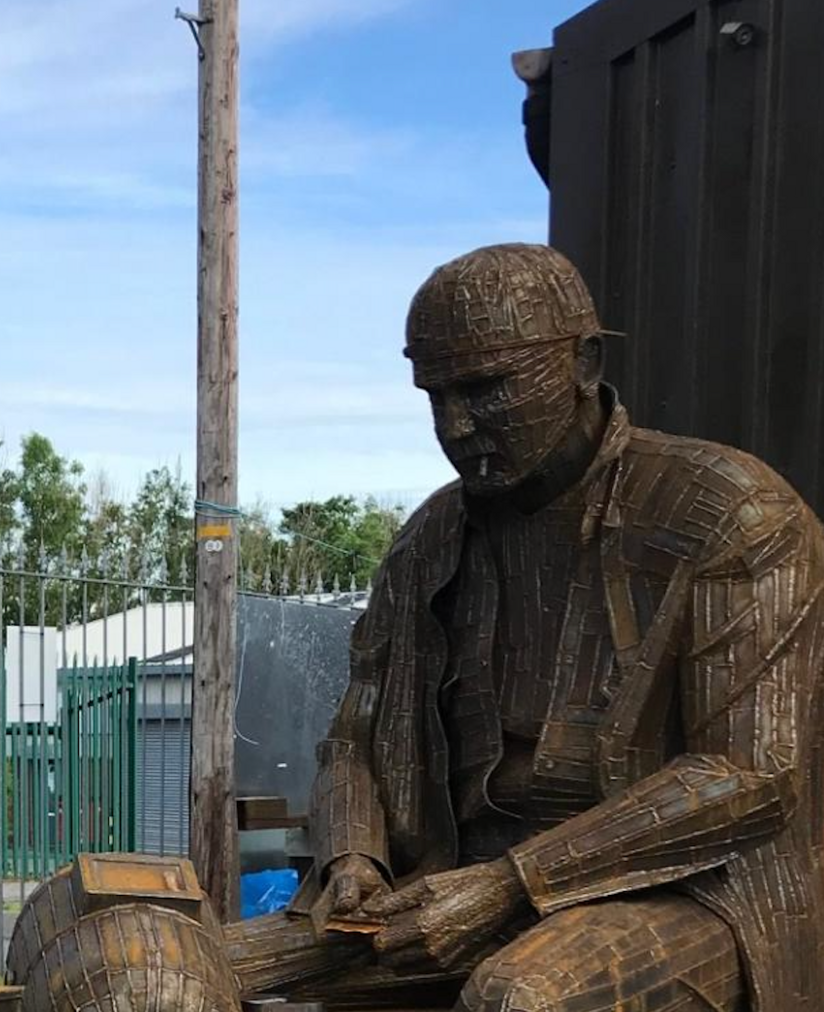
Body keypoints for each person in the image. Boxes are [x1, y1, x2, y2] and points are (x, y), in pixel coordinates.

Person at [223, 243, 824, 1011]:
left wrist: (512, 885)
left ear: (584, 362)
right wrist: (354, 857)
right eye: (435, 395)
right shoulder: (430, 540)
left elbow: (746, 777)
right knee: (161, 971)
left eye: (486, 388)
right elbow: (355, 738)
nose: (456, 423)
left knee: (520, 997)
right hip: (447, 882)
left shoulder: (728, 513)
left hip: (682, 892)